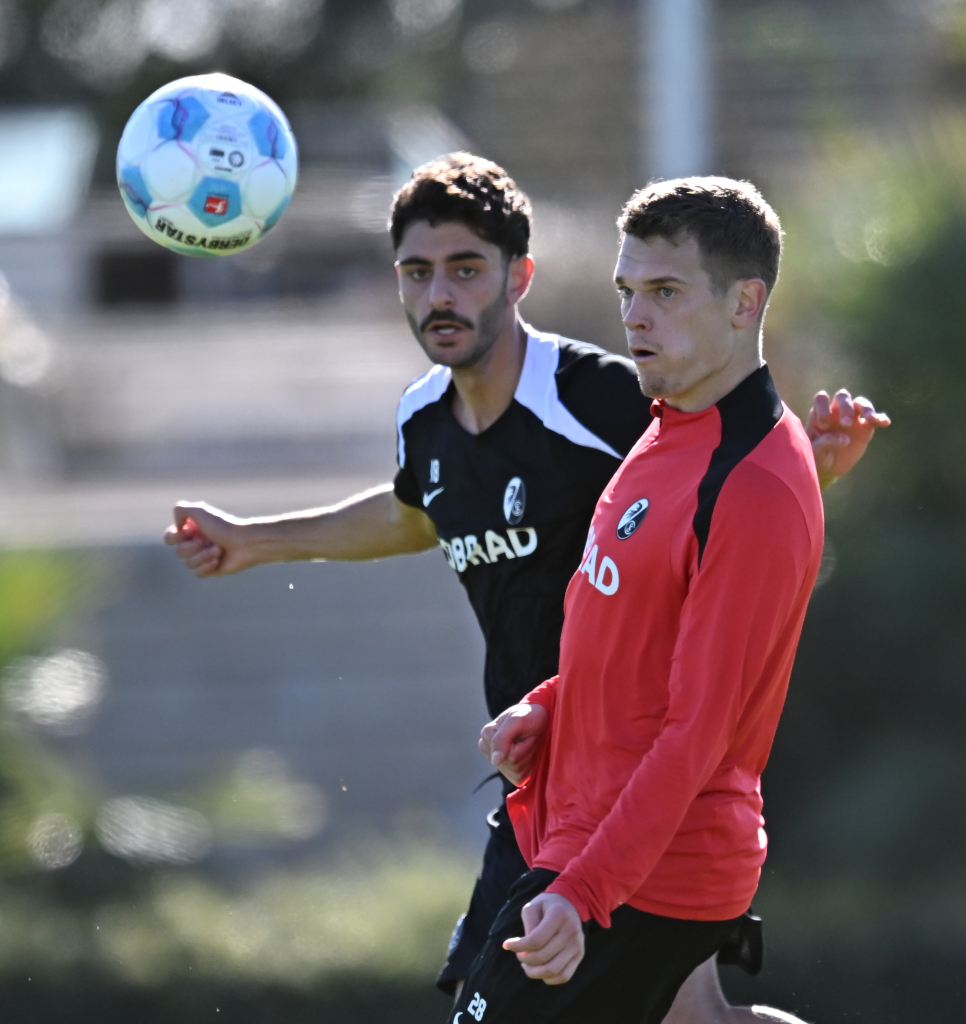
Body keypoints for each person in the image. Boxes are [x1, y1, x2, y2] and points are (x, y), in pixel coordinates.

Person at [165, 155, 888, 1024]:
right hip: (563, 782)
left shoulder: (615, 404)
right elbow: (423, 517)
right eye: (417, 271)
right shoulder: (493, 421)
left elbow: (733, 556)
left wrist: (804, 469)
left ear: (519, 278)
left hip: (635, 829)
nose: (635, 317)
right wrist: (255, 542)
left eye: (466, 269)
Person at [463, 175, 829, 1024]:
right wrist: (552, 706)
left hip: (639, 873)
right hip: (591, 841)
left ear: (747, 302)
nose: (635, 317)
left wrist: (583, 894)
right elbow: (637, 652)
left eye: (665, 292)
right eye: (627, 291)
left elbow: (699, 730)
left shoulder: (753, 481)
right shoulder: (668, 428)